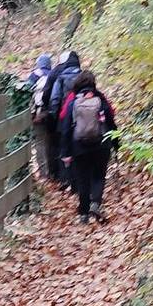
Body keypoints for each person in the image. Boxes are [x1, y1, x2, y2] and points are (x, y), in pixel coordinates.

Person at [58, 70, 118, 224]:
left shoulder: (72, 102)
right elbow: (111, 121)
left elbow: (65, 128)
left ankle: (83, 214)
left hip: (79, 147)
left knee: (82, 179)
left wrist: (65, 151)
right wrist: (116, 143)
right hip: (101, 145)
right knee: (98, 176)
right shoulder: (101, 99)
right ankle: (95, 203)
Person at [41, 49, 81, 182]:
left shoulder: (59, 76)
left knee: (60, 145)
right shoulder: (83, 75)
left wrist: (52, 114)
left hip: (62, 116)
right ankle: (76, 176)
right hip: (79, 116)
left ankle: (62, 177)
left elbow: (54, 98)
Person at [26, 53, 53, 177]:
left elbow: (26, 92)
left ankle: (43, 173)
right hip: (53, 113)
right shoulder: (54, 75)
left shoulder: (34, 75)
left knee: (40, 143)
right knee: (51, 142)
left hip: (38, 113)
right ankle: (53, 171)